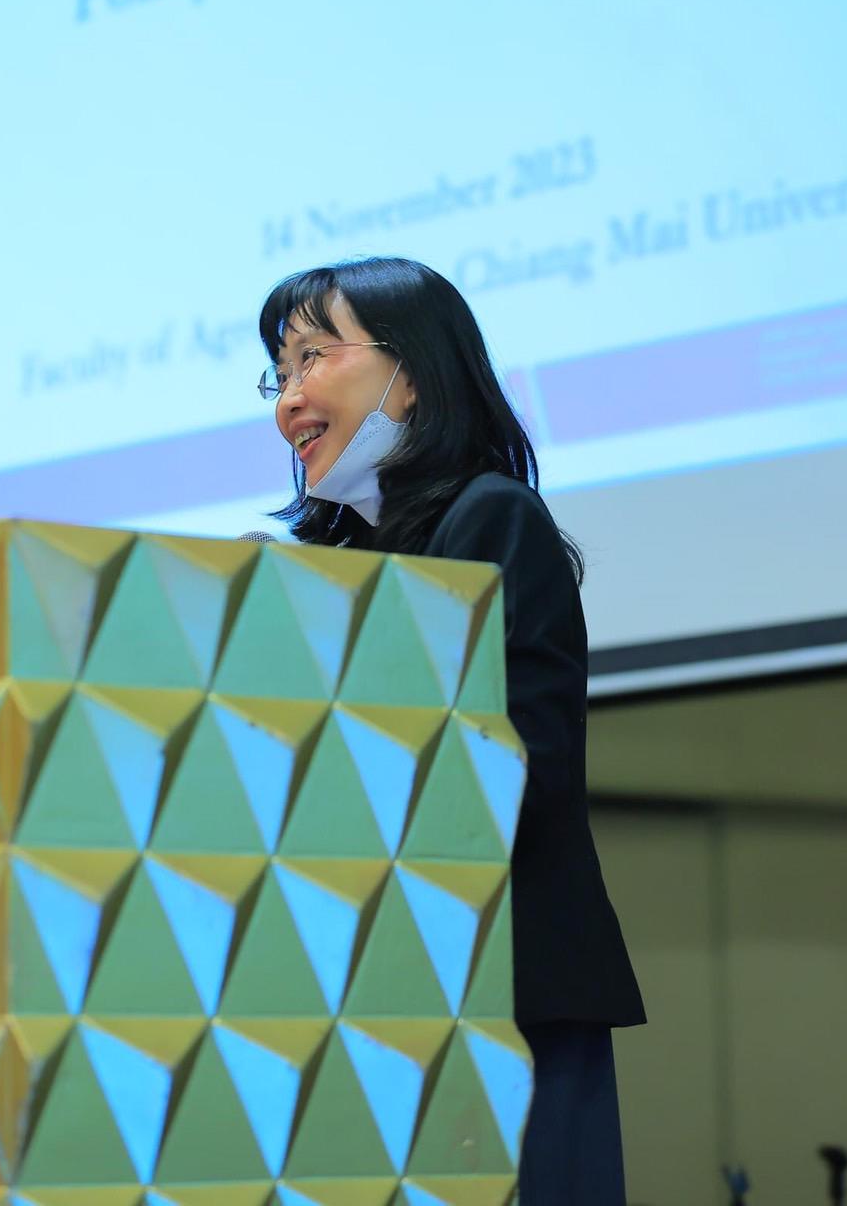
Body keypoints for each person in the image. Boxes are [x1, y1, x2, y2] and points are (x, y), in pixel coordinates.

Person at [257, 255, 645, 1203]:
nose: (289, 399)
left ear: (414, 373)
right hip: (376, 1000)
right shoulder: (338, 560)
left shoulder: (489, 518)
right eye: (279, 372)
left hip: (502, 993)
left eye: (314, 357)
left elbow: (519, 767)